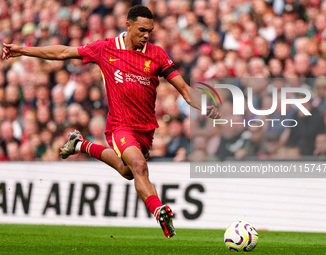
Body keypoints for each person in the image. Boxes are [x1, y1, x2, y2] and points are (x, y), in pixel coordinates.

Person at [2, 5, 219, 238]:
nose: (146, 35)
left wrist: (206, 106)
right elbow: (63, 53)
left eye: (150, 31)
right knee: (139, 166)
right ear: (128, 25)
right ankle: (159, 211)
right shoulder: (105, 48)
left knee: (128, 171)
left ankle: (81, 145)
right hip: (119, 126)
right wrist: (22, 50)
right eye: (142, 29)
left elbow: (185, 90)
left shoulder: (156, 54)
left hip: (146, 130)